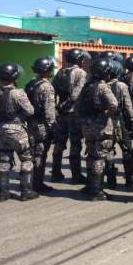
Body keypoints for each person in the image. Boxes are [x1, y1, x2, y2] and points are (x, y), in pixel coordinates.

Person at [0, 63, 36, 202]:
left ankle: (3, 193)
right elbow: (30, 111)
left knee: (4, 159)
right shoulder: (18, 93)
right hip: (16, 130)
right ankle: (26, 191)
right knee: (27, 159)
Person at [76, 57, 119, 201]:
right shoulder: (102, 86)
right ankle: (96, 191)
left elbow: (78, 106)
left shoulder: (87, 86)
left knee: (91, 155)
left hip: (87, 126)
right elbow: (114, 104)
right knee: (99, 158)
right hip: (100, 127)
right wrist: (104, 112)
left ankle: (90, 186)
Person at [51, 48, 89, 183]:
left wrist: (58, 107)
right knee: (75, 144)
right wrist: (66, 105)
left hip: (61, 114)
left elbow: (52, 90)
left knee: (59, 144)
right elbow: (76, 94)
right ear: (79, 59)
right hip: (74, 114)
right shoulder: (81, 73)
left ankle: (55, 172)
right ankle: (76, 175)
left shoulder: (60, 72)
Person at [25, 56, 57, 194]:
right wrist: (53, 129)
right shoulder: (47, 86)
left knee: (32, 153)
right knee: (40, 154)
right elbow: (49, 112)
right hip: (41, 125)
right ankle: (37, 184)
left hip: (30, 123)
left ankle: (30, 182)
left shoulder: (31, 83)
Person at [108, 59, 133, 189]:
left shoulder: (102, 85)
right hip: (120, 121)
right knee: (127, 149)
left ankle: (110, 179)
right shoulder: (121, 86)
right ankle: (130, 178)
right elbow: (128, 106)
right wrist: (132, 121)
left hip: (105, 122)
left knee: (108, 150)